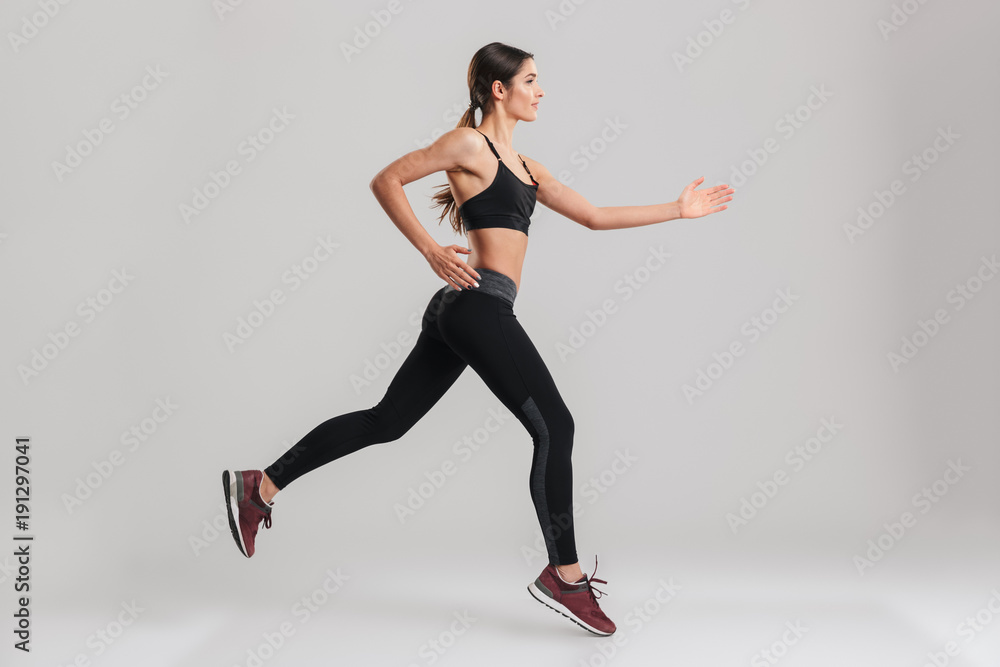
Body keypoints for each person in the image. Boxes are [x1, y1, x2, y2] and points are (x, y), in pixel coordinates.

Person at [222, 41, 733, 637]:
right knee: (557, 426)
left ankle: (260, 486)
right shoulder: (470, 145)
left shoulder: (529, 168)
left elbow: (594, 215)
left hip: (465, 310)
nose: (541, 91)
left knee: (388, 421)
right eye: (532, 81)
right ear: (500, 89)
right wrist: (431, 249)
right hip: (476, 304)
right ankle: (564, 576)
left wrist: (677, 208)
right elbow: (387, 179)